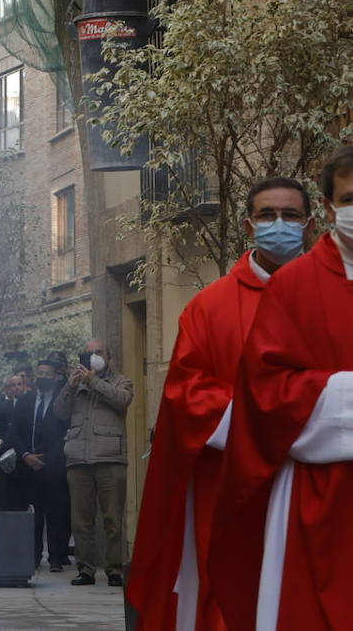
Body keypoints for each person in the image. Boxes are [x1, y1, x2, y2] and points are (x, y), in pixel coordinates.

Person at [128, 177, 310, 630]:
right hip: (233, 485)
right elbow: (187, 391)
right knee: (230, 592)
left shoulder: (334, 297)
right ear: (249, 227)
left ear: (309, 223)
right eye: (267, 215)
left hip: (319, 479)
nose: (279, 224)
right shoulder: (210, 307)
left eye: (290, 215)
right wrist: (267, 425)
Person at [210, 149, 353, 630]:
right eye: (351, 199)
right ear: (330, 209)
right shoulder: (293, 285)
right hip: (322, 490)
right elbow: (267, 390)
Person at [54, 339, 133, 587]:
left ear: (109, 357)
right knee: (81, 520)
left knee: (112, 519)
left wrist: (93, 381)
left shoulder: (122, 381)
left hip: (110, 457)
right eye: (88, 353)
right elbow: (58, 413)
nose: (93, 356)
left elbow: (122, 400)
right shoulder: (75, 383)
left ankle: (114, 570)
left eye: (98, 352)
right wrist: (70, 385)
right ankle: (85, 570)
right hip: (78, 458)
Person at [12, 356, 71, 572]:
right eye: (40, 374)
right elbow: (14, 432)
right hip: (28, 466)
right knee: (34, 516)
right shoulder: (26, 401)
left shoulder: (62, 401)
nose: (43, 378)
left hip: (53, 465)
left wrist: (48, 458)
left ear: (55, 377)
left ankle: (56, 558)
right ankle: (34, 557)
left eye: (47, 374)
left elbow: (66, 432)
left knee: (55, 514)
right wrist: (26, 455)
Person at [0, 374, 27, 512]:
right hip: (6, 456)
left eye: (19, 384)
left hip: (24, 456)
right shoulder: (4, 406)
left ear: (24, 385)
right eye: (13, 385)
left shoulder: (31, 404)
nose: (16, 388)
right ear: (9, 388)